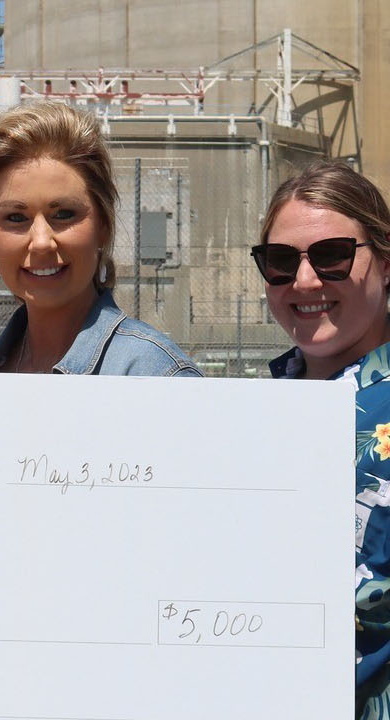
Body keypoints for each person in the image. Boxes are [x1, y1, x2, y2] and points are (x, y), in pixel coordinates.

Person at [253, 161, 390, 718]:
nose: (305, 281)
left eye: (332, 255)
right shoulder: (251, 417)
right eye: (282, 262)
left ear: (385, 261)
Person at [0, 102, 200, 376]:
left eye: (64, 214)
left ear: (103, 224)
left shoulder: (156, 375)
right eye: (16, 218)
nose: (42, 242)